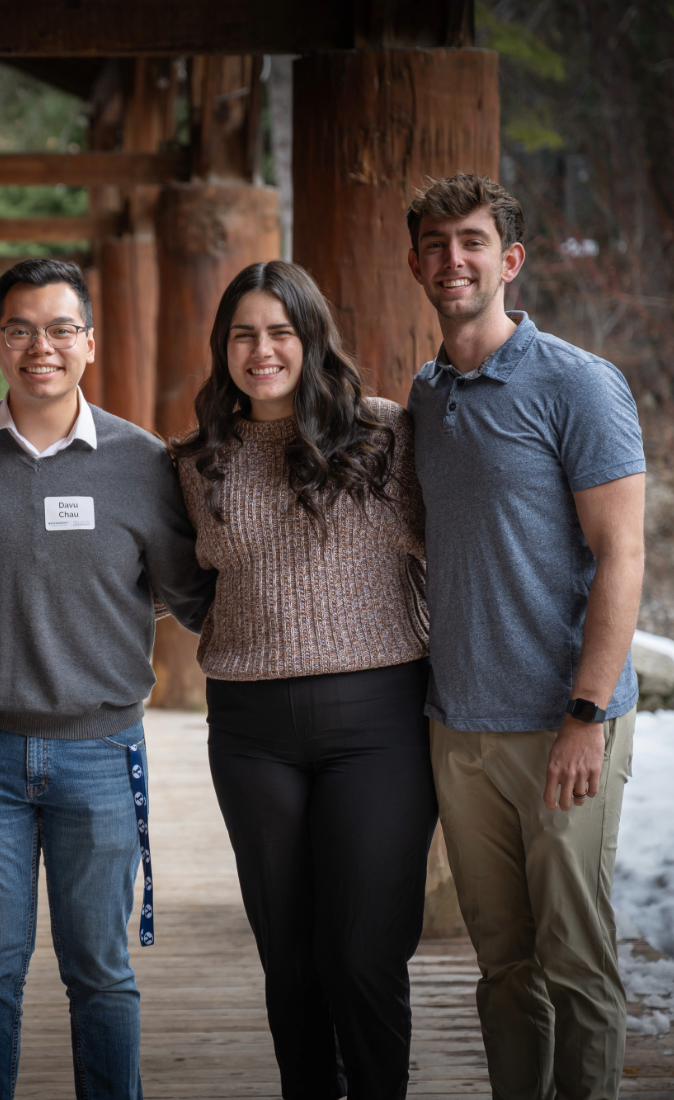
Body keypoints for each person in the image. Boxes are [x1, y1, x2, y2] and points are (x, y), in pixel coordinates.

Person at [0, 258, 216, 1100]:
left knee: (101, 974)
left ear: (89, 344)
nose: (43, 346)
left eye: (61, 329)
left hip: (102, 753)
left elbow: (190, 593)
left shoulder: (141, 462)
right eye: (23, 329)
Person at [405, 173, 645, 1100]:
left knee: (576, 963)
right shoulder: (428, 395)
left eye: (470, 241)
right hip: (459, 725)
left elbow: (621, 555)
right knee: (503, 968)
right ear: (417, 263)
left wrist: (587, 712)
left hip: (562, 729)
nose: (451, 258)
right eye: (434, 243)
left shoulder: (578, 384)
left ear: (508, 261)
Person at [171, 261, 433, 1100]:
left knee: (360, 952)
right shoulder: (199, 460)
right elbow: (197, 581)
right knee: (288, 956)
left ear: (311, 339)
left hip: (378, 721)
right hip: (250, 729)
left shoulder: (387, 435)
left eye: (280, 331)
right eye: (244, 334)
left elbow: (456, 550)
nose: (262, 350)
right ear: (224, 348)